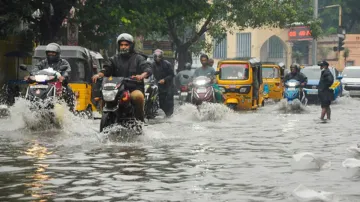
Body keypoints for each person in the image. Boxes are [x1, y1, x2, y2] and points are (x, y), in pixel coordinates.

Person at [92, 33, 152, 122]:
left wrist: (141, 76)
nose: (123, 47)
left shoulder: (138, 58)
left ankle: (140, 121)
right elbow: (107, 69)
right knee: (104, 96)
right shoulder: (114, 59)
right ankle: (104, 116)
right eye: (121, 45)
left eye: (126, 45)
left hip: (133, 88)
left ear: (131, 45)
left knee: (138, 96)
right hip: (116, 90)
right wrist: (99, 75)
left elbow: (147, 68)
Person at [26, 43, 75, 111]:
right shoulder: (43, 62)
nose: (51, 54)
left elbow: (67, 71)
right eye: (49, 52)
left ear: (57, 53)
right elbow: (36, 68)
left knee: (69, 90)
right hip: (43, 83)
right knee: (32, 87)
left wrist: (64, 77)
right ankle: (28, 105)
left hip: (58, 83)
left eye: (53, 53)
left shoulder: (64, 62)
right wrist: (32, 74)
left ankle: (70, 110)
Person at [151, 49, 175, 117]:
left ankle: (169, 116)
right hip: (159, 86)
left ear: (162, 57)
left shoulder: (167, 64)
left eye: (159, 56)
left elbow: (172, 75)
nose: (157, 58)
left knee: (169, 102)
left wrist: (164, 80)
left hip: (168, 86)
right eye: (156, 56)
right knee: (161, 102)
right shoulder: (152, 65)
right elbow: (150, 73)